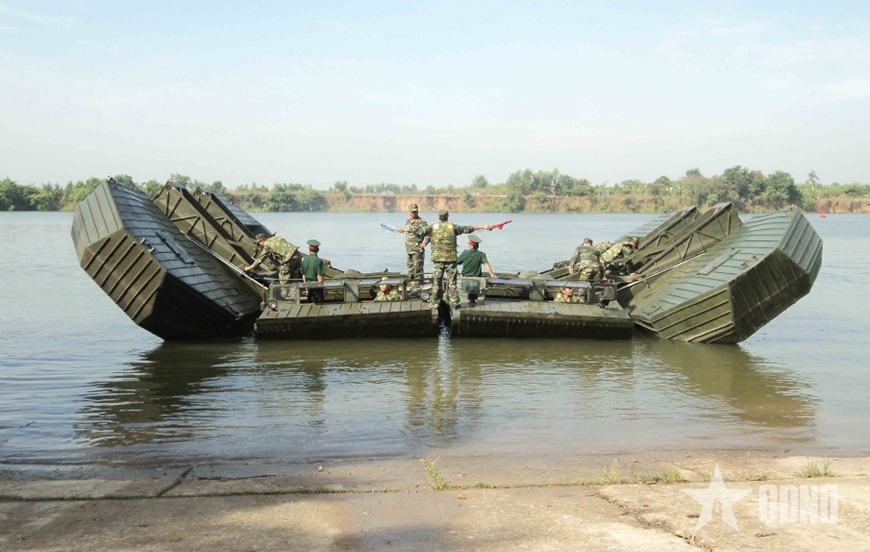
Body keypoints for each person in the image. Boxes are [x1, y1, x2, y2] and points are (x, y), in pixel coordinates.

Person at [414, 210, 493, 309]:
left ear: (439, 217)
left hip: (438, 260)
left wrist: (418, 237)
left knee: (437, 282)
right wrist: (484, 227)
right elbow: (468, 229)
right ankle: (455, 302)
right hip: (451, 260)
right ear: (447, 217)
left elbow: (418, 232)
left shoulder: (432, 227)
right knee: (452, 282)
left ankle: (435, 303)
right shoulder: (453, 227)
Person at [396, 204, 429, 291]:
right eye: (412, 212)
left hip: (417, 249)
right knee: (410, 267)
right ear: (409, 212)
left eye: (415, 211)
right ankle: (411, 285)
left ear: (418, 211)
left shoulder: (422, 222)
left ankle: (418, 285)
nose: (414, 213)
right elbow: (408, 232)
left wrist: (424, 243)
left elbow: (429, 234)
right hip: (409, 249)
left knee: (418, 268)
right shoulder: (408, 221)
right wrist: (402, 231)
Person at [457, 234, 495, 305]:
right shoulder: (481, 255)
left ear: (470, 245)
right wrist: (491, 274)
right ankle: (473, 300)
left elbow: (457, 262)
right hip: (476, 281)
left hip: (465, 280)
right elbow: (486, 264)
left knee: (465, 291)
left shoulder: (465, 253)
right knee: (474, 290)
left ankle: (468, 301)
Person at [300, 239, 326, 303]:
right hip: (316, 288)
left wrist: (306, 288)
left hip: (308, 286)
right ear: (318, 250)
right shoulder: (318, 261)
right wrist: (324, 290)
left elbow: (303, 276)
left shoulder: (304, 260)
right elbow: (320, 279)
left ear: (309, 249)